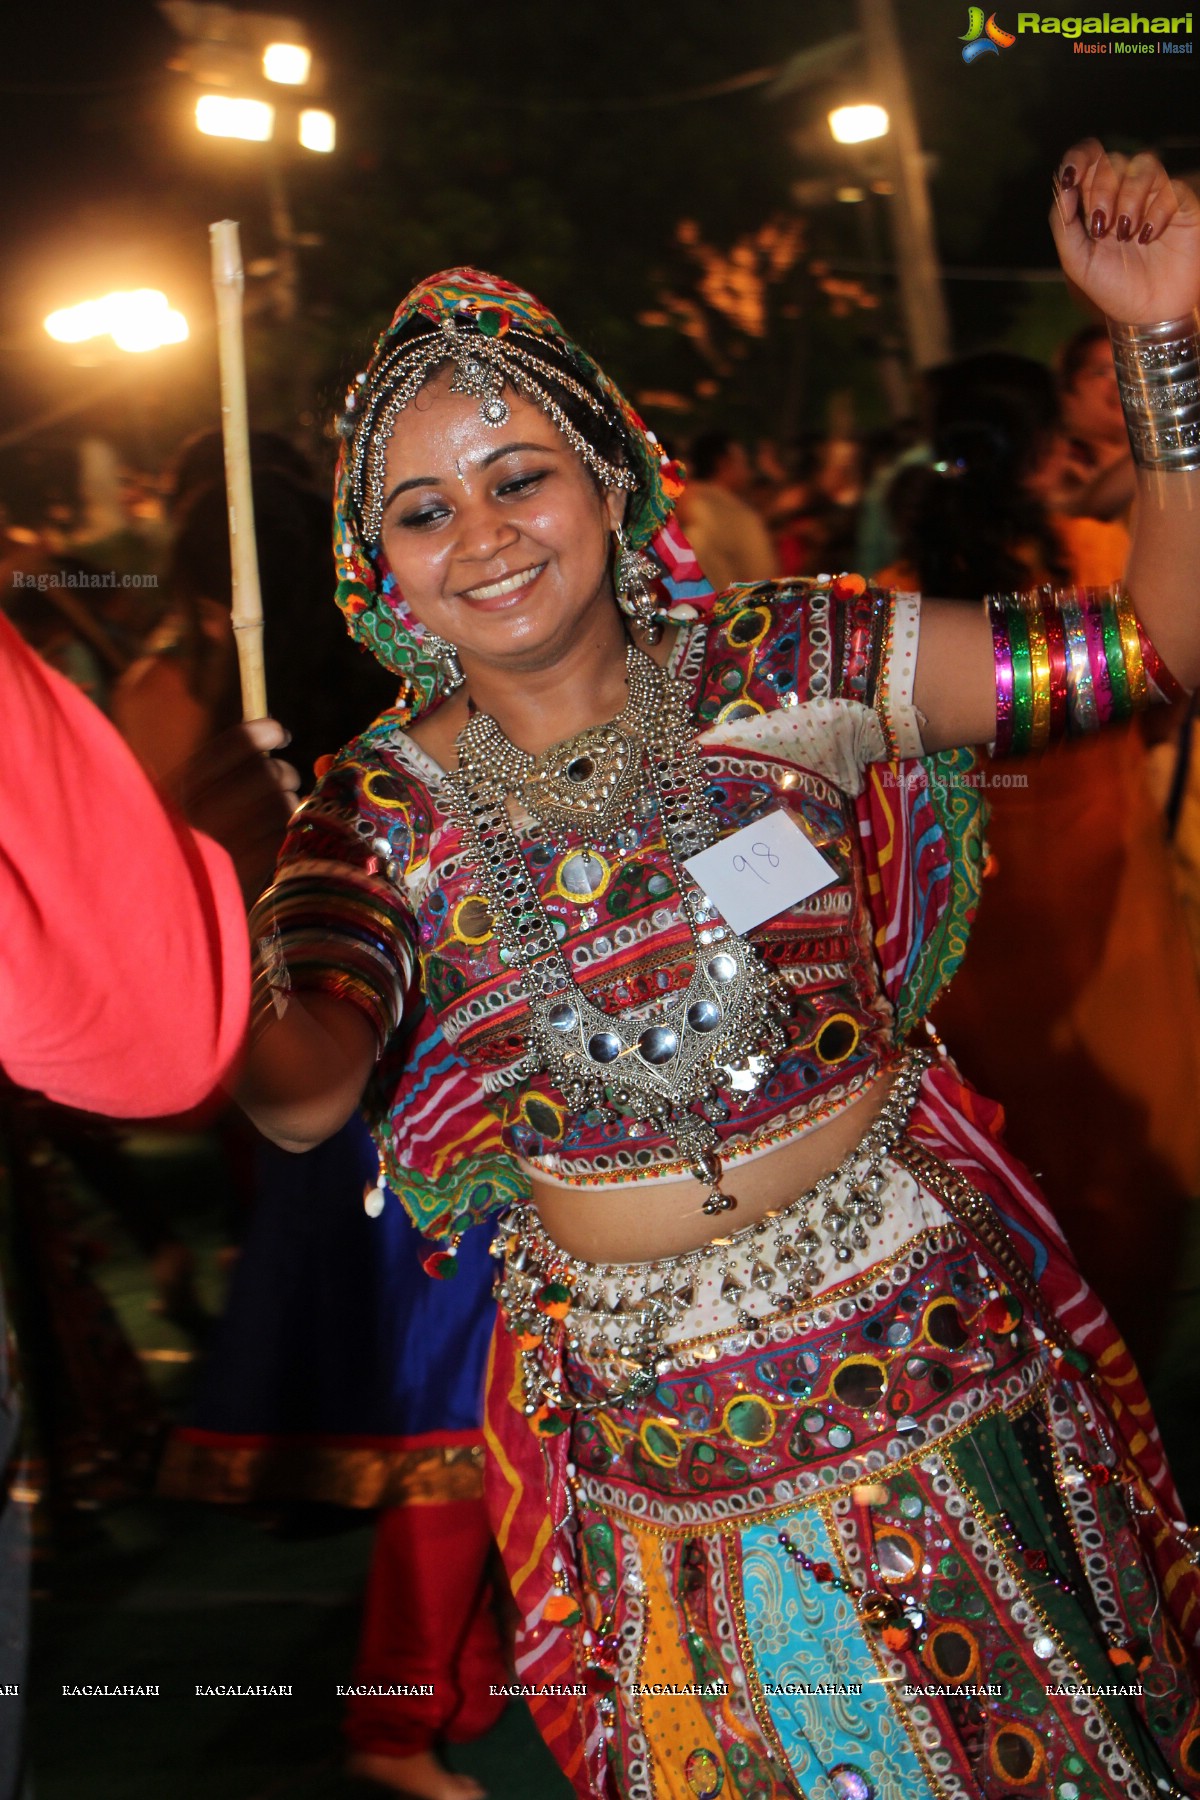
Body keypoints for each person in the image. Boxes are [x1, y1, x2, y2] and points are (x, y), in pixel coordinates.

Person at [234, 144, 1200, 1800]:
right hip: (654, 1439)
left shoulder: (791, 661)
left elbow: (1158, 650)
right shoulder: (372, 809)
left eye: (517, 475)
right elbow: (309, 1091)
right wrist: (183, 945)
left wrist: (1165, 343)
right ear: (377, 569)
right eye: (423, 508)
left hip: (937, 1358)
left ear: (613, 481)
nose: (481, 536)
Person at [876, 352, 1200, 1366]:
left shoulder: (885, 612)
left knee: (1003, 1254)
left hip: (965, 982)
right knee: (1129, 1236)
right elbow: (1164, 707)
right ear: (1049, 447)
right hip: (1115, 958)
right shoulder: (1103, 564)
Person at [675, 428, 778, 590]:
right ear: (723, 463)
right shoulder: (739, 518)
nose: (748, 471)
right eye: (743, 462)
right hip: (726, 610)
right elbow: (762, 578)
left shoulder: (674, 506)